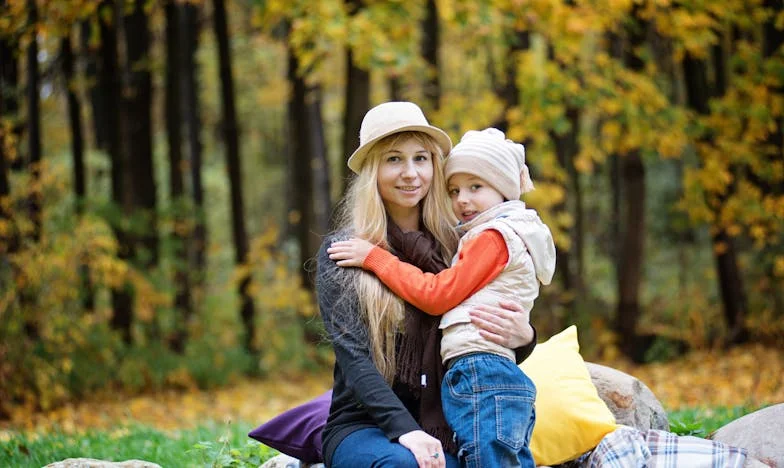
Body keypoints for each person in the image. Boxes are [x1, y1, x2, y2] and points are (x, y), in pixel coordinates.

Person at [317, 102, 538, 468]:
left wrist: (525, 336)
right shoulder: (346, 250)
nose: (410, 173)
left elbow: (480, 339)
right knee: (405, 466)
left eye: (421, 158)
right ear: (373, 170)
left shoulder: (462, 245)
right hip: (368, 425)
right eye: (393, 160)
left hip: (453, 417)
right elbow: (354, 360)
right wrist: (407, 430)